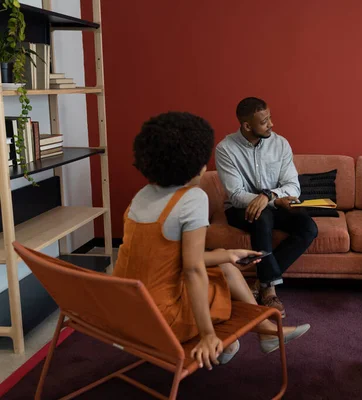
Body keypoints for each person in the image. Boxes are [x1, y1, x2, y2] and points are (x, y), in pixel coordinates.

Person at [113, 112, 310, 371]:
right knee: (221, 285)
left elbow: (168, 256)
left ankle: (265, 331)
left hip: (125, 309)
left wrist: (228, 255)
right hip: (162, 317)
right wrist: (208, 335)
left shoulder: (141, 195)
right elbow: (193, 270)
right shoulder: (192, 199)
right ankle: (243, 337)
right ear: (191, 164)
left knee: (225, 262)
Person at [215, 97, 318, 317]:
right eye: (264, 121)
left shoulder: (280, 144)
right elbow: (235, 195)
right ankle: (270, 290)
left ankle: (261, 282)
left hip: (275, 203)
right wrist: (266, 200)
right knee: (262, 217)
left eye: (270, 118)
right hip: (239, 210)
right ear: (247, 126)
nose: (271, 124)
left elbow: (293, 186)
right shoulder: (225, 149)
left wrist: (269, 196)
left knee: (308, 227)